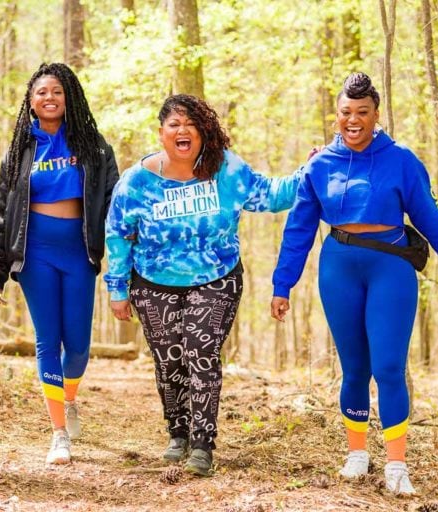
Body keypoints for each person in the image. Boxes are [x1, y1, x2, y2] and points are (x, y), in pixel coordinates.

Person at [271, 72, 438, 495]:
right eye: (346, 112)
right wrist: (282, 283)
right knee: (354, 368)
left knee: (387, 367)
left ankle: (397, 464)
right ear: (336, 116)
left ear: (376, 115)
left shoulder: (401, 159)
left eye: (362, 113)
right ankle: (357, 454)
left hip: (391, 268)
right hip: (339, 267)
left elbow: (430, 218)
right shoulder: (320, 164)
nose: (353, 120)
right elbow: (299, 229)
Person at [105, 94, 301, 477]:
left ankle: (201, 445)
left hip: (217, 278)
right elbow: (118, 235)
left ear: (203, 131)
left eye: (190, 124)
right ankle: (177, 434)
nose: (182, 131)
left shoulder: (225, 169)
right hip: (152, 283)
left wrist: (310, 170)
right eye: (174, 125)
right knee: (169, 362)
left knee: (201, 353)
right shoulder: (136, 182)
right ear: (161, 134)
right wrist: (117, 288)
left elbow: (272, 195)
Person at [0, 62, 119, 465]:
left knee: (78, 345)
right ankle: (58, 432)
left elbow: (113, 200)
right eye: (41, 92)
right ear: (30, 100)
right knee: (48, 340)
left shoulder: (93, 146)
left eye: (57, 92)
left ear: (69, 97)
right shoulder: (20, 149)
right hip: (35, 252)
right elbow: (3, 212)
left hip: (79, 251)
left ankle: (70, 397)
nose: (49, 98)